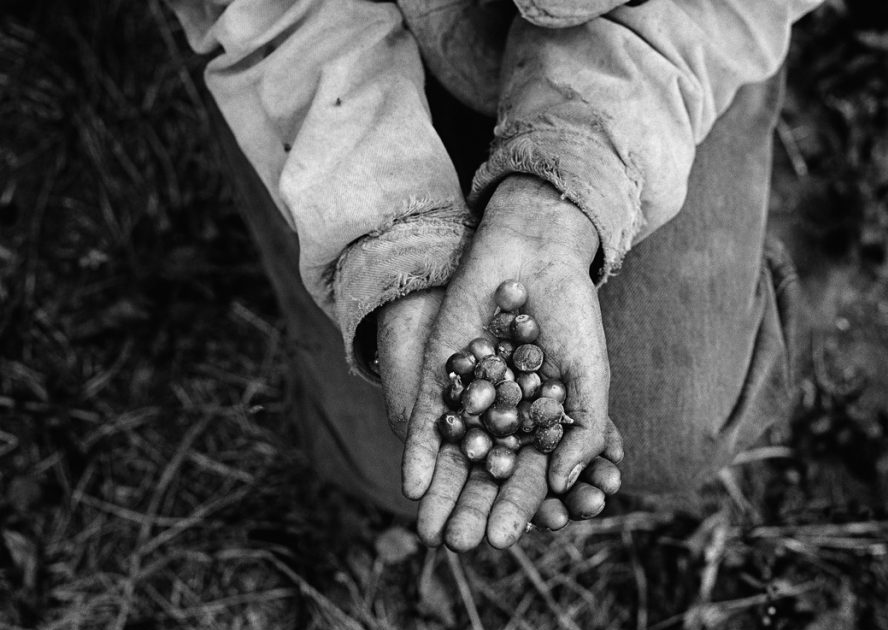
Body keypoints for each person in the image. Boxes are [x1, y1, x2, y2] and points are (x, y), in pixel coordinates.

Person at [166, 0, 819, 552]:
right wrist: (389, 241)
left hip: (659, 37)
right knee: (384, 464)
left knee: (675, 423)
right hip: (327, 43)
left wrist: (564, 186)